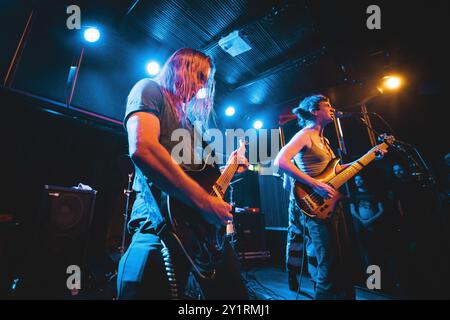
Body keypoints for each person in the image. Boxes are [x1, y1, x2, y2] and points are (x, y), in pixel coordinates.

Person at [117, 48, 249, 299]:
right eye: (199, 76)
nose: (200, 87)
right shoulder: (150, 89)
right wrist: (205, 202)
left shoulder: (190, 123)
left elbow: (200, 178)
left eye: (204, 81)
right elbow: (143, 149)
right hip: (159, 223)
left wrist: (229, 168)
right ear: (180, 66)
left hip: (201, 233)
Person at [275, 94, 386, 299]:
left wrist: (371, 156)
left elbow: (335, 170)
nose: (332, 109)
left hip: (331, 203)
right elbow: (280, 161)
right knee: (329, 261)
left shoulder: (323, 139)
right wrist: (313, 183)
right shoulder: (305, 134)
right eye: (327, 106)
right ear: (315, 111)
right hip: (315, 205)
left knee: (341, 256)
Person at [349, 174, 384, 268]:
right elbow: (352, 210)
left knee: (379, 251)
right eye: (356, 180)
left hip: (376, 226)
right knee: (367, 253)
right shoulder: (354, 194)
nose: (358, 181)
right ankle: (372, 280)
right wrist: (362, 221)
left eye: (360, 179)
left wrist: (371, 220)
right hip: (362, 228)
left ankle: (384, 278)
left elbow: (381, 210)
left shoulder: (374, 193)